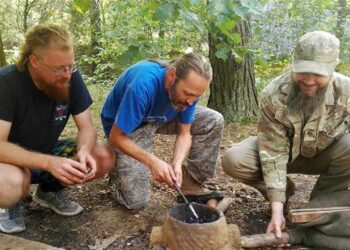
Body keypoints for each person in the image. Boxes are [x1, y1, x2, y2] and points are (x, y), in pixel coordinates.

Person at [222, 31, 350, 242]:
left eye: (318, 74)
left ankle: (318, 210)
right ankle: (284, 193)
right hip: (282, 154)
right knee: (234, 159)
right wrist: (277, 208)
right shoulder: (274, 93)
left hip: (325, 154)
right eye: (303, 71)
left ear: (333, 68)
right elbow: (273, 151)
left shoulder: (347, 91)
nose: (309, 81)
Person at [0, 24, 115, 233]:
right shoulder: (7, 83)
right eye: (60, 68)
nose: (67, 74)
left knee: (102, 155)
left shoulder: (71, 77)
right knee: (11, 182)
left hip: (47, 152)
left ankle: (49, 191)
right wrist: (50, 163)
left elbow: (87, 127)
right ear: (34, 61)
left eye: (71, 66)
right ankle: (8, 205)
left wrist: (83, 152)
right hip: (11, 161)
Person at [101, 53, 224, 209]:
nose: (191, 101)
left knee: (213, 119)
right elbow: (116, 137)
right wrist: (152, 161)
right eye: (187, 93)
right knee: (135, 201)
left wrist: (177, 163)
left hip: (160, 117)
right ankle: (115, 170)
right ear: (172, 75)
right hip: (127, 126)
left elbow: (184, 133)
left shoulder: (190, 91)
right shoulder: (142, 85)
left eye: (197, 96)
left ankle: (192, 184)